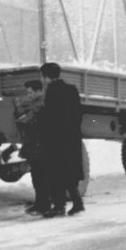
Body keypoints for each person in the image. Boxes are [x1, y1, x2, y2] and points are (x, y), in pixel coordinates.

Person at [39, 62, 85, 218]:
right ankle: (77, 204)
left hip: (56, 139)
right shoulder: (72, 89)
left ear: (47, 77)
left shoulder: (52, 91)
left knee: (55, 174)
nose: (42, 79)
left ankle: (59, 207)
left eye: (42, 76)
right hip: (72, 137)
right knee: (70, 172)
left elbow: (50, 117)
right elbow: (78, 113)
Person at [14, 79, 49, 214]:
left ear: (39, 91)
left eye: (30, 92)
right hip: (35, 146)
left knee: (41, 176)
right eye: (27, 93)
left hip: (41, 146)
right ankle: (39, 203)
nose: (28, 95)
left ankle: (44, 205)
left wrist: (19, 110)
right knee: (36, 176)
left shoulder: (42, 104)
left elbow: (27, 119)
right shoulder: (35, 104)